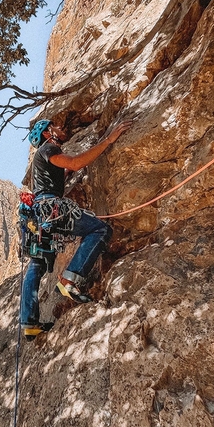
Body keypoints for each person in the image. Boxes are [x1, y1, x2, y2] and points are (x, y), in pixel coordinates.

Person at [21, 118, 131, 339]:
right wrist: (108, 140)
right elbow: (74, 163)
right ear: (46, 134)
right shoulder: (49, 147)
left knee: (37, 264)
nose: (62, 128)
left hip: (40, 215)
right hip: (52, 208)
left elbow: (60, 174)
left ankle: (29, 323)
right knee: (100, 230)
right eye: (55, 126)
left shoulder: (40, 160)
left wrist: (66, 175)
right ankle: (70, 279)